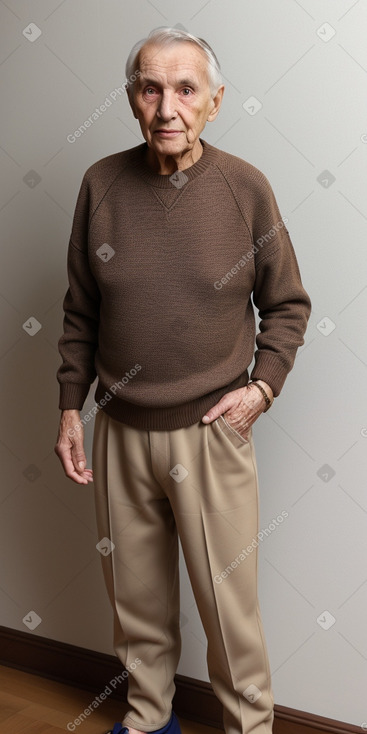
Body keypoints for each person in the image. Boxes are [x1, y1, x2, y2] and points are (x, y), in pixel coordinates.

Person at [55, 26, 311, 734]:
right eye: (150, 88)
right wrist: (71, 410)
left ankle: (246, 729)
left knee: (230, 616)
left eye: (185, 89)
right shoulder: (100, 184)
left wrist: (260, 388)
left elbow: (287, 305)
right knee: (135, 607)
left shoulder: (244, 189)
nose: (167, 107)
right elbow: (80, 309)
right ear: (132, 99)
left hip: (210, 434)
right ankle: (147, 721)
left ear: (215, 102)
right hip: (118, 431)